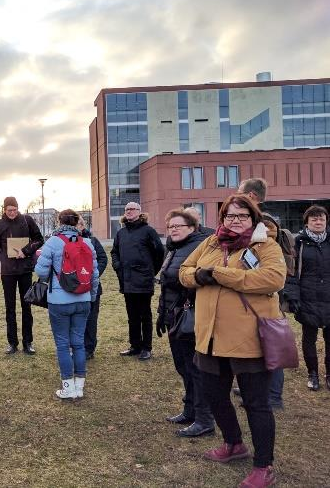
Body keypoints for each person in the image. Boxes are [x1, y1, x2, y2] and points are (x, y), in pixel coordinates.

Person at [179, 194, 286, 488]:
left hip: (248, 338)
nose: (235, 221)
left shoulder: (265, 245)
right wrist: (200, 275)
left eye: (241, 216)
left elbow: (273, 279)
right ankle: (233, 443)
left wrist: (222, 275)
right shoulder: (211, 242)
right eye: (229, 216)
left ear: (253, 219)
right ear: (222, 218)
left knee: (256, 403)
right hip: (210, 337)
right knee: (214, 396)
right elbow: (184, 271)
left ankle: (264, 466)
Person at [156, 209, 214, 437]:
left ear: (192, 227)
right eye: (171, 227)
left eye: (179, 226)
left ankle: (204, 419)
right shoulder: (173, 249)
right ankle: (189, 410)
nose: (174, 230)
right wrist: (162, 315)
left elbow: (198, 282)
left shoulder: (198, 248)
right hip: (174, 316)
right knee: (183, 368)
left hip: (192, 318)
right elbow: (164, 286)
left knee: (196, 369)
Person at [35, 209, 99, 399]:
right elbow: (94, 275)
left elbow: (40, 271)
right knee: (78, 343)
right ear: (76, 222)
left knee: (63, 345)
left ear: (59, 222)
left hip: (59, 302)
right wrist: (92, 296)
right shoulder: (87, 242)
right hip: (84, 300)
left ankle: (67, 387)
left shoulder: (53, 242)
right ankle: (79, 387)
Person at [237, 178, 286, 409]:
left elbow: (263, 258)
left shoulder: (263, 224)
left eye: (240, 194)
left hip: (264, 295)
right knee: (257, 343)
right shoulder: (257, 221)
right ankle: (259, 388)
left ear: (252, 196)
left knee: (271, 345)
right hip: (251, 294)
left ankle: (274, 396)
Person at [111, 202, 164, 360]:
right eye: (127, 209)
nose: (129, 211)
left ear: (139, 212)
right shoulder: (121, 233)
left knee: (144, 315)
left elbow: (159, 252)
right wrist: (117, 265)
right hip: (126, 280)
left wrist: (151, 270)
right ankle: (135, 345)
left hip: (143, 281)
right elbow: (114, 251)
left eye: (132, 209)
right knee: (132, 315)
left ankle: (146, 348)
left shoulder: (148, 231)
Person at [0, 196, 44, 355]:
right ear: (4, 209)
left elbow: (39, 240)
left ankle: (28, 342)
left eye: (14, 210)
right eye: (9, 210)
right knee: (10, 308)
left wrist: (25, 251)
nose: (12, 213)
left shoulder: (27, 220)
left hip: (25, 270)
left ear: (17, 208)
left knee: (26, 306)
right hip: (7, 272)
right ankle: (12, 343)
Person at [286, 205, 330, 391]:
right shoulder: (299, 243)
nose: (318, 222)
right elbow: (292, 273)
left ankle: (329, 374)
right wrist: (293, 296)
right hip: (307, 298)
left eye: (321, 219)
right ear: (307, 223)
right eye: (314, 219)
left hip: (329, 297)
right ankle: (313, 373)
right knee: (308, 338)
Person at [75, 216, 108, 360]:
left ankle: (89, 348)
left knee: (91, 319)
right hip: (74, 286)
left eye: (81, 224)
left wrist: (93, 274)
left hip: (91, 285)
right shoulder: (66, 241)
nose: (79, 226)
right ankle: (76, 346)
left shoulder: (93, 241)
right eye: (76, 224)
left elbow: (102, 258)